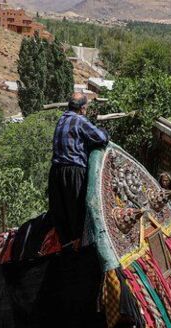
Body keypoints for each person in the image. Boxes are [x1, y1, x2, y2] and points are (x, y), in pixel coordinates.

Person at [49, 92, 109, 247]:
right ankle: (81, 248)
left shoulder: (61, 119)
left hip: (56, 172)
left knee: (62, 214)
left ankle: (65, 246)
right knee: (78, 214)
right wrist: (103, 130)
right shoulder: (80, 120)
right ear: (82, 108)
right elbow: (101, 138)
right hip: (73, 172)